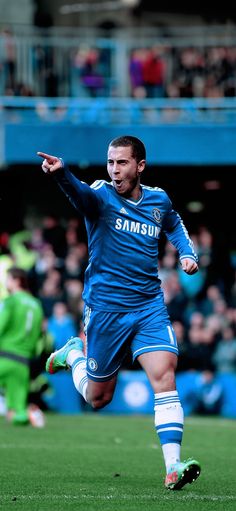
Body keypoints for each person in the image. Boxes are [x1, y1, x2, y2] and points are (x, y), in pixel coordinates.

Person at [37, 135, 201, 490]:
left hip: (148, 306)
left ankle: (173, 467)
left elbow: (173, 222)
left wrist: (187, 253)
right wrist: (62, 174)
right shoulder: (101, 195)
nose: (114, 170)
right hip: (106, 309)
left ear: (140, 166)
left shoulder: (158, 200)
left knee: (165, 376)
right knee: (99, 399)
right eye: (110, 162)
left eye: (122, 162)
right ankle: (74, 354)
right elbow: (81, 196)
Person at [0, 266, 44, 425]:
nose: (5, 282)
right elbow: (39, 336)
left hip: (5, 358)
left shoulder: (11, 301)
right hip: (23, 362)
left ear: (16, 281)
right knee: (17, 412)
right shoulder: (36, 304)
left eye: (8, 279)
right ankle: (31, 415)